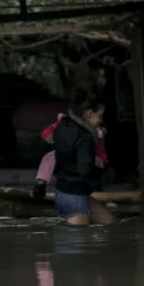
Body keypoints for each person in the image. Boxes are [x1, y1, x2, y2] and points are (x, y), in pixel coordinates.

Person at [49, 95, 116, 226]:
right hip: (75, 194)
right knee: (78, 238)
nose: (101, 121)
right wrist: (102, 170)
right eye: (100, 116)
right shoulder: (85, 137)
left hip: (62, 190)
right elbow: (85, 170)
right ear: (90, 113)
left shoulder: (63, 125)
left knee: (109, 222)